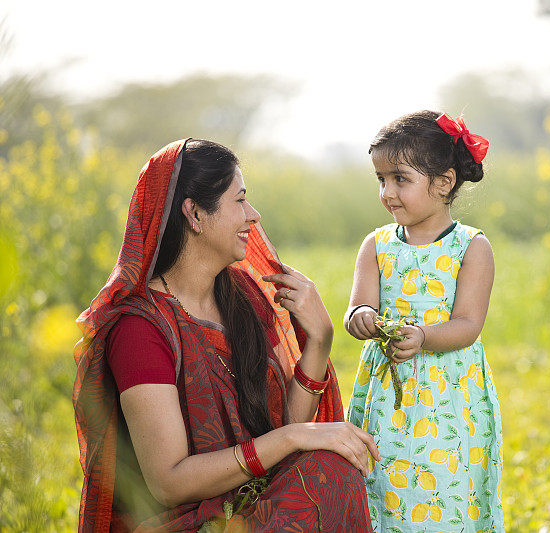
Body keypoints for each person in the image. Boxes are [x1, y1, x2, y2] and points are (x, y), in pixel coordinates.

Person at [73, 139, 379, 532]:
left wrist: (319, 339)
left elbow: (283, 427)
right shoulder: (141, 328)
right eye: (240, 200)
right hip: (184, 521)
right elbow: (168, 482)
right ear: (195, 213)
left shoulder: (241, 297)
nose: (254, 215)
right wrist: (293, 437)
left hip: (247, 503)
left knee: (329, 469)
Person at [344, 111, 504, 531]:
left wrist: (424, 336)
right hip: (387, 394)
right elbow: (358, 306)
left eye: (400, 179)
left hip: (448, 392)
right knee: (383, 483)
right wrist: (362, 319)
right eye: (381, 180)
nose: (387, 192)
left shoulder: (471, 247)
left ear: (445, 182)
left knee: (443, 484)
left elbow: (469, 324)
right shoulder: (375, 245)